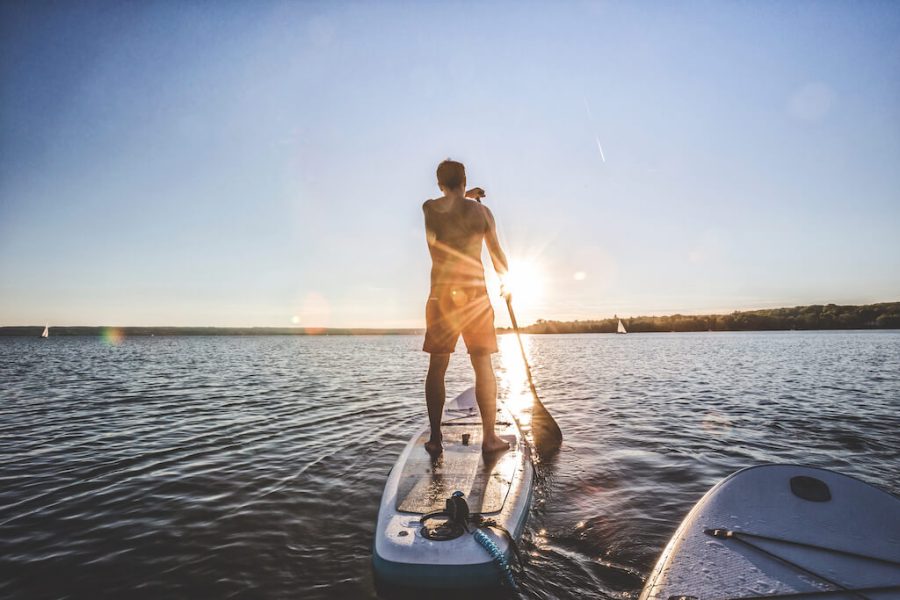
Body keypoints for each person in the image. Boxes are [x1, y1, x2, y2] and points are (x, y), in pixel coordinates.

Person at [421, 159, 510, 455]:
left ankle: (435, 439)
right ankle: (489, 439)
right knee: (482, 365)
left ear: (439, 184)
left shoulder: (430, 209)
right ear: (464, 178)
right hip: (475, 298)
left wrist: (463, 195)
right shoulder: (482, 213)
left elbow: (447, 205)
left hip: (441, 296)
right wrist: (506, 285)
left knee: (437, 366)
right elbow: (497, 256)